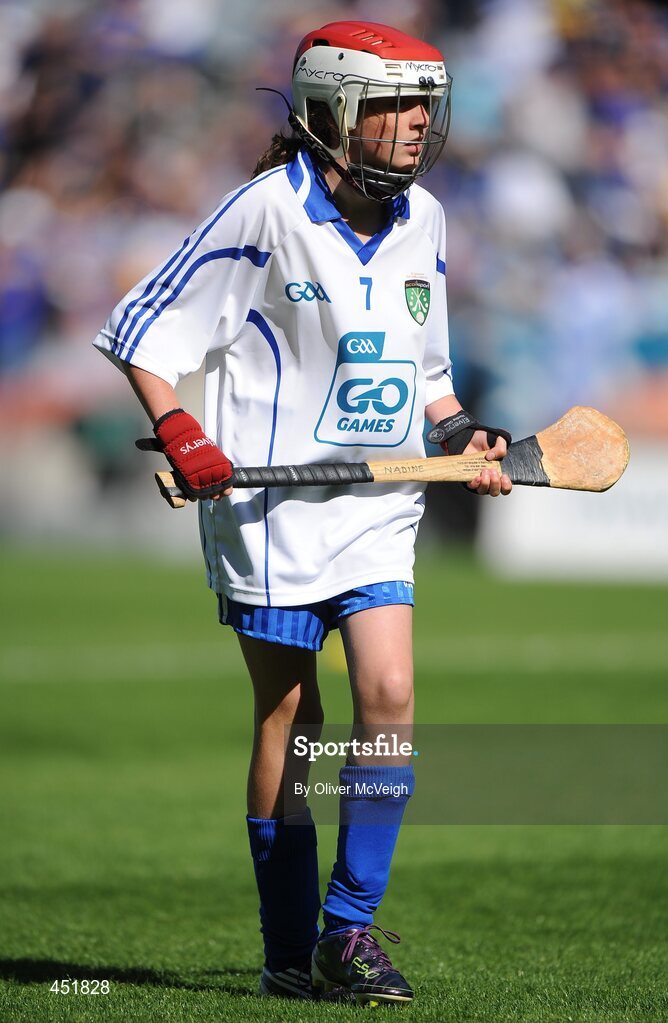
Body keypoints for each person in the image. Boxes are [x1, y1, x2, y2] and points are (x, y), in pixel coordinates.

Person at [94, 20, 512, 1006]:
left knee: (390, 694)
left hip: (376, 504)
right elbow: (141, 335)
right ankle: (287, 949)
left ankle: (347, 935)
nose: (414, 126)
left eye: (421, 107)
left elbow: (430, 374)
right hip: (268, 507)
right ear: (331, 111)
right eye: (389, 107)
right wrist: (184, 430)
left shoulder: (427, 221)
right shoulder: (260, 214)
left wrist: (459, 439)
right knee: (292, 713)